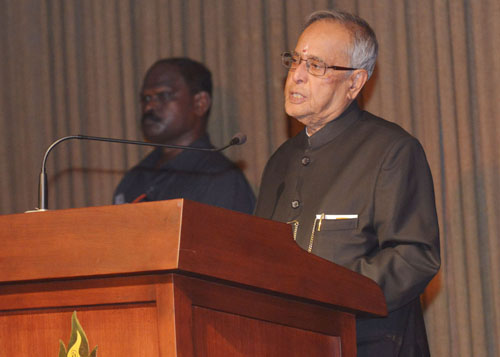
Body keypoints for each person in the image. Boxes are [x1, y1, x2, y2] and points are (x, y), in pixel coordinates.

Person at [255, 10, 440, 356]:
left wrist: (325, 292)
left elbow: (415, 258)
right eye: (294, 61)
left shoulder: (390, 151)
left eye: (315, 66)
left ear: (354, 83)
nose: (296, 76)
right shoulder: (280, 161)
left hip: (367, 343)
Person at [114, 57, 255, 214]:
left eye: (163, 96)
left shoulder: (221, 179)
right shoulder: (135, 177)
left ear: (200, 103)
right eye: (146, 98)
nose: (149, 106)